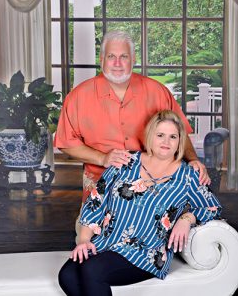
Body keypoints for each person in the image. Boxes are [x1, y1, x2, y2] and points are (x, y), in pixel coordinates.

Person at [58, 110, 222, 296]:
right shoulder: (126, 161)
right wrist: (84, 241)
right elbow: (96, 201)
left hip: (146, 252)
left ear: (180, 141)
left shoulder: (189, 175)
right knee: (67, 275)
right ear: (149, 136)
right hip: (106, 243)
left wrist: (186, 218)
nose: (166, 142)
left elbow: (212, 207)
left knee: (92, 270)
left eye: (173, 137)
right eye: (160, 135)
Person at [54, 30, 210, 203]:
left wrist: (194, 159)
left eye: (124, 57)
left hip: (156, 185)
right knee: (90, 228)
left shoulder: (157, 92)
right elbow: (66, 142)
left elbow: (180, 133)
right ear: (101, 59)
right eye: (111, 56)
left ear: (133, 60)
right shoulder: (78, 97)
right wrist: (102, 158)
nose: (118, 63)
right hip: (101, 186)